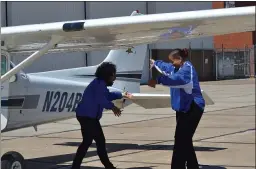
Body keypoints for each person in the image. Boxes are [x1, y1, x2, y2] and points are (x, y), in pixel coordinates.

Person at [148, 48, 205, 169]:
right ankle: (192, 166)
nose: (172, 63)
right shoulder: (176, 67)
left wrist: (157, 80)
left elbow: (175, 80)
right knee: (185, 140)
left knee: (180, 141)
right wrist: (154, 62)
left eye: (173, 61)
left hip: (193, 108)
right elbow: (167, 67)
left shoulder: (186, 71)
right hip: (183, 108)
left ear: (179, 59)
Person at [71, 62, 132, 169]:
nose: (115, 78)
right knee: (100, 142)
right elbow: (101, 99)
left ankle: (75, 167)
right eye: (114, 75)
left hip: (85, 116)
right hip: (88, 118)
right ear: (109, 75)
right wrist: (113, 107)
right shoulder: (99, 85)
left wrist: (121, 94)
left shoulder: (99, 83)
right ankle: (109, 167)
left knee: (87, 142)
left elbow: (107, 95)